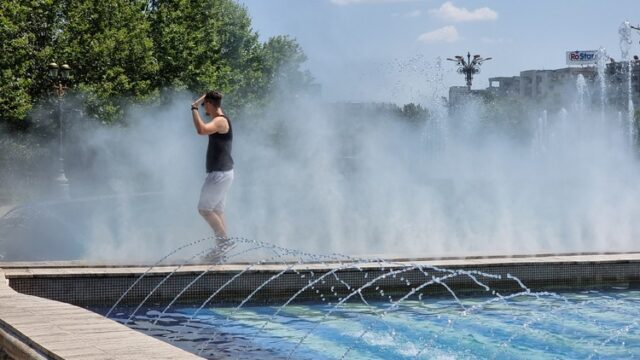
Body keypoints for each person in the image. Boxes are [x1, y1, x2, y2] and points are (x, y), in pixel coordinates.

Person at [191, 91, 235, 261]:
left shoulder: (220, 121)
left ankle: (224, 242)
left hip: (219, 173)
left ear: (209, 104)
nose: (204, 109)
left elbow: (201, 130)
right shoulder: (221, 118)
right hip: (223, 172)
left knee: (204, 209)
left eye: (204, 106)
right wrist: (205, 98)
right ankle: (220, 251)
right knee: (216, 210)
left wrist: (193, 108)